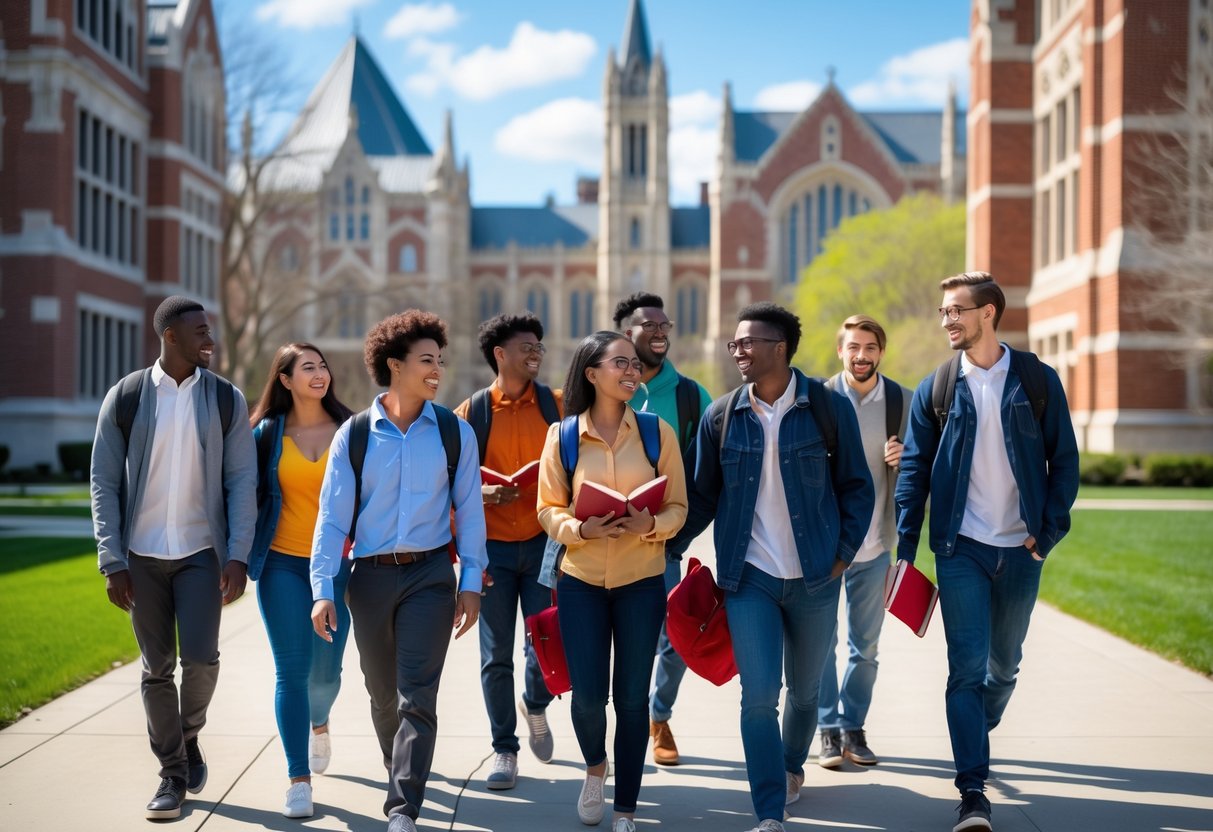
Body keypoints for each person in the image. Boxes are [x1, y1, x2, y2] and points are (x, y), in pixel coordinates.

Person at [669, 302, 873, 832]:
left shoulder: (829, 408)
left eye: (747, 342)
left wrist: (842, 555)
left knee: (804, 693)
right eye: (734, 343)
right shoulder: (721, 415)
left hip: (815, 577)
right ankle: (768, 808)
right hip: (749, 578)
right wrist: (665, 543)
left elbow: (857, 487)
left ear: (779, 349)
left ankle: (789, 766)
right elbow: (702, 497)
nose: (737, 350)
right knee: (758, 695)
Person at [895, 272, 1079, 832]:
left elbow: (1064, 462)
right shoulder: (938, 388)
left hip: (1021, 549)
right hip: (960, 549)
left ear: (988, 314)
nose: (948, 320)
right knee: (966, 670)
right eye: (944, 311)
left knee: (1004, 666)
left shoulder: (1036, 381)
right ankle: (972, 791)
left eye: (957, 311)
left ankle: (979, 725)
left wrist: (1046, 534)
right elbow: (914, 470)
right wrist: (906, 547)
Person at [309, 310, 487, 832]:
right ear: (394, 365)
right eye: (426, 360)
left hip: (431, 575)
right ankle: (399, 768)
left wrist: (471, 581)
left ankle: (403, 807)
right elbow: (331, 518)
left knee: (417, 693)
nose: (437, 370)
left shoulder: (455, 433)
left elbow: (471, 513)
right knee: (381, 692)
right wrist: (323, 588)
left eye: (439, 360)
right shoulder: (356, 435)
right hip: (368, 577)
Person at [90, 295, 257, 820]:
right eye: (201, 332)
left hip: (201, 554)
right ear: (170, 336)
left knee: (202, 660)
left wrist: (238, 556)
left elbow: (241, 481)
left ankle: (187, 735)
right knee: (156, 669)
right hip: (140, 555)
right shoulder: (128, 397)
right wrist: (111, 558)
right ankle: (172, 774)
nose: (210, 340)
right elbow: (103, 481)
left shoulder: (226, 399)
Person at [536, 331, 688, 832]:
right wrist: (580, 528)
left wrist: (652, 525)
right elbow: (547, 509)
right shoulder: (562, 438)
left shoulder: (656, 432)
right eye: (619, 362)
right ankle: (595, 768)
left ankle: (626, 806)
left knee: (631, 698)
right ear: (591, 372)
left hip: (641, 581)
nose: (632, 371)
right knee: (586, 696)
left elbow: (678, 507)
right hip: (579, 581)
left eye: (635, 364)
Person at [454, 313, 563, 790]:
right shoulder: (470, 414)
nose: (535, 352)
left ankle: (535, 705)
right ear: (500, 354)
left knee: (544, 646)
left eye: (538, 345)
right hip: (491, 551)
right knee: (495, 654)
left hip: (544, 546)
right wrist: (479, 495)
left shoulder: (558, 407)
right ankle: (504, 749)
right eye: (526, 346)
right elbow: (449, 486)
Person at [248, 343, 354, 818]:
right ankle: (298, 778)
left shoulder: (353, 429)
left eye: (322, 365)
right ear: (285, 379)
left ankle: (320, 720)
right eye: (307, 367)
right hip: (282, 565)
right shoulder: (266, 435)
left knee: (325, 674)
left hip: (337, 569)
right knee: (290, 671)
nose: (320, 373)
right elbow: (241, 497)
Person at [612, 291, 712, 766]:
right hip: (605, 538)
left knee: (676, 637)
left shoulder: (692, 396)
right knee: (610, 638)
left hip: (666, 540)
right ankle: (613, 724)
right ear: (623, 334)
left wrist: (683, 529)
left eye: (664, 325)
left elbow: (714, 468)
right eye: (647, 324)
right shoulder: (602, 388)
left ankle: (658, 716)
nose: (658, 332)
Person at [814, 315, 909, 769]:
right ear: (841, 351)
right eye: (853, 347)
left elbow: (924, 475)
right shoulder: (819, 400)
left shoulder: (901, 402)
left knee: (865, 647)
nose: (862, 355)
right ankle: (827, 729)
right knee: (821, 642)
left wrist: (904, 460)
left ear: (881, 352)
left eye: (870, 347)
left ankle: (854, 727)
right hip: (828, 547)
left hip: (876, 545)